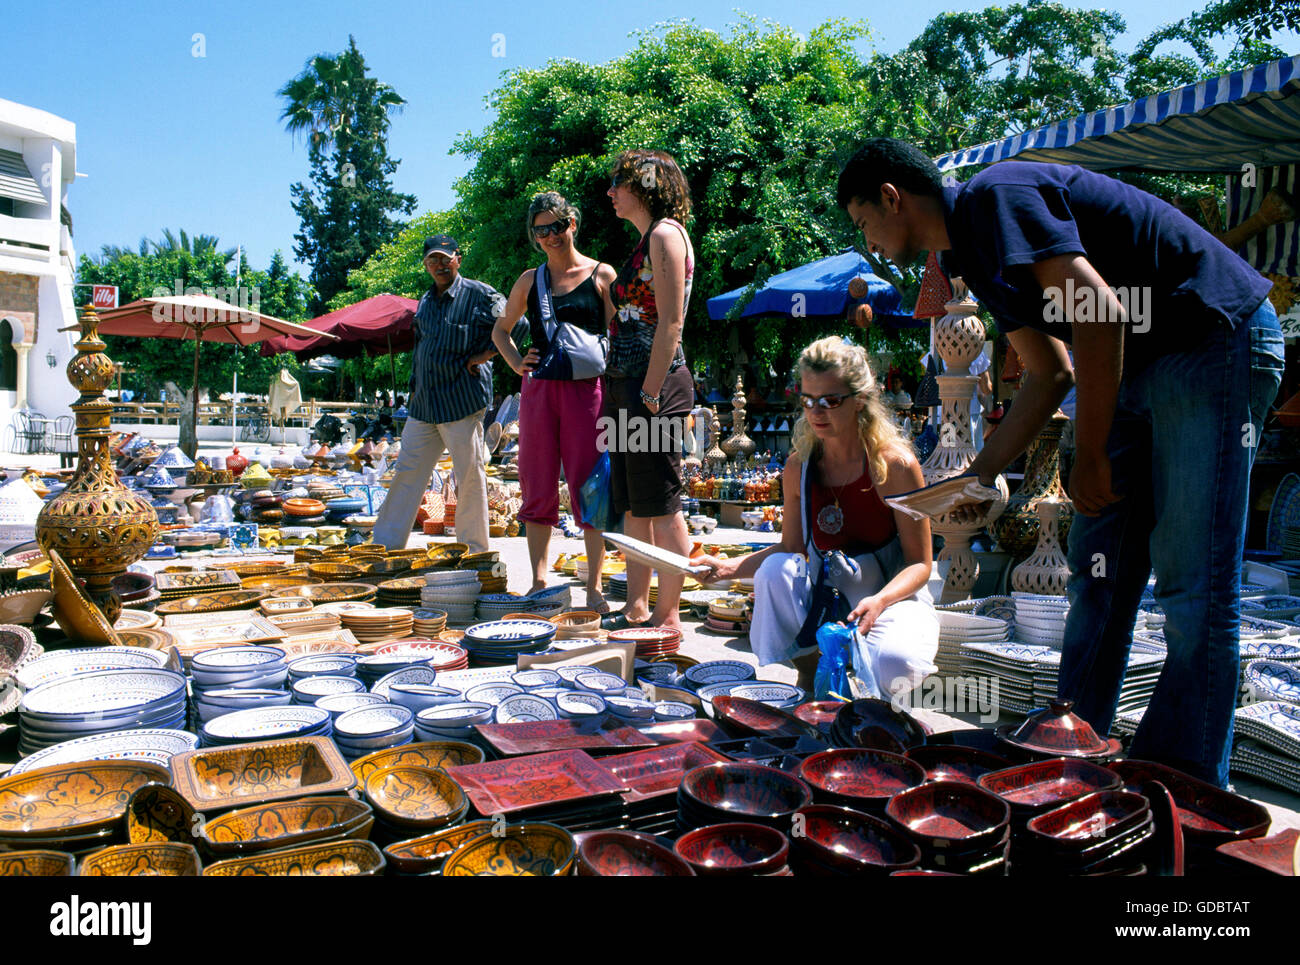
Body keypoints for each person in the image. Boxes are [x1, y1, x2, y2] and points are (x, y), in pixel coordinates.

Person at [836, 137, 1284, 787]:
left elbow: (1099, 312)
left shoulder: (996, 197)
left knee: (1193, 587)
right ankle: (1070, 754)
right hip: (1139, 364)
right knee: (1097, 577)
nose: (870, 242)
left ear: (891, 196)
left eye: (864, 223)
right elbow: (1048, 374)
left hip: (1212, 336)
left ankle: (1181, 791)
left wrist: (1093, 449)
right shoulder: (976, 255)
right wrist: (979, 473)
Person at [695, 336, 938, 693]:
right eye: (808, 401)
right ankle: (809, 674)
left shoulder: (895, 466)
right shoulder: (799, 467)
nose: (816, 412)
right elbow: (790, 547)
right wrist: (728, 570)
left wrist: (881, 601)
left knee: (894, 664)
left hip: (891, 596)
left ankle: (884, 706)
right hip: (830, 595)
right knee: (775, 572)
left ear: (860, 400)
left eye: (830, 401)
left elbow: (920, 564)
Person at [492, 191, 616, 612]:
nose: (550, 236)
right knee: (536, 481)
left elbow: (621, 335)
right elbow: (500, 330)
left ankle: (594, 587)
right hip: (540, 391)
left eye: (557, 226)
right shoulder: (530, 280)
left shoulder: (602, 276)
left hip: (589, 393)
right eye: (541, 230)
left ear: (572, 224)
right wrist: (516, 363)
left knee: (592, 485)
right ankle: (540, 579)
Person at [372, 234, 526, 555]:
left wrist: (483, 356)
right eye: (432, 260)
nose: (439, 265)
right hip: (424, 406)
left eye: (445, 258)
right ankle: (385, 548)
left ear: (458, 258)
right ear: (426, 265)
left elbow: (519, 324)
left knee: (469, 478)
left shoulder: (480, 294)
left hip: (461, 403)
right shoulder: (426, 301)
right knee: (407, 474)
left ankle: (474, 553)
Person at [601, 149, 696, 631]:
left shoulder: (664, 234)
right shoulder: (647, 238)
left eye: (619, 181)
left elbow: (672, 322)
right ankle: (637, 606)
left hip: (651, 386)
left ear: (646, 185)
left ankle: (668, 614)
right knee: (635, 505)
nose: (611, 191)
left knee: (662, 503)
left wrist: (652, 393)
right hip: (628, 386)